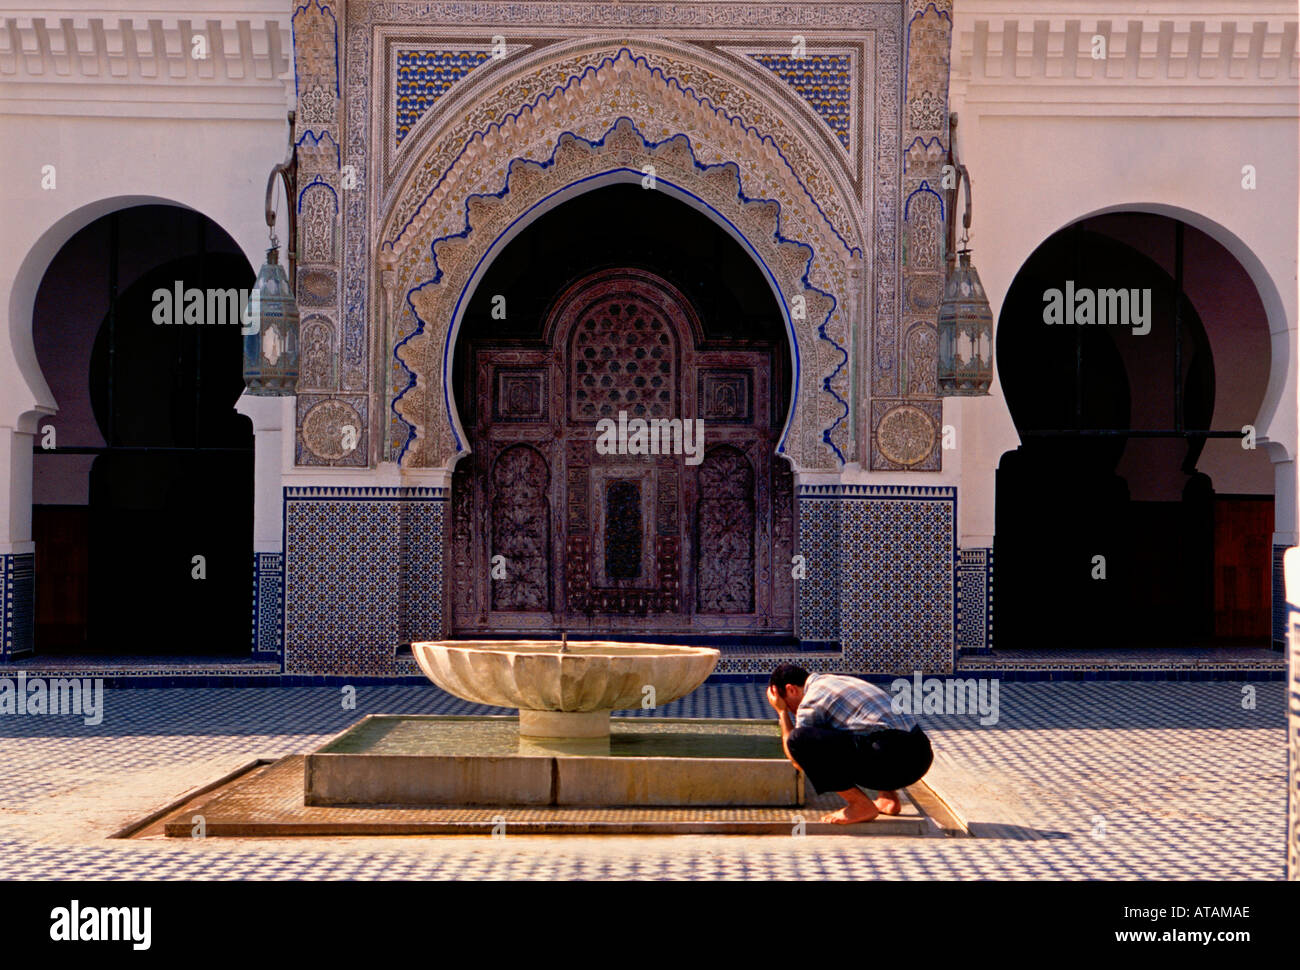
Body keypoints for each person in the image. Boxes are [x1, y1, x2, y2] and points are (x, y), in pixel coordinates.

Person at [767, 663, 934, 824]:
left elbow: (796, 758)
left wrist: (781, 713)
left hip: (892, 760)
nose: (792, 711)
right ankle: (888, 798)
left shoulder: (810, 701)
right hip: (921, 755)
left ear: (791, 689)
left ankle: (859, 805)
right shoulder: (836, 681)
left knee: (799, 740)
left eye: (788, 705)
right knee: (853, 727)